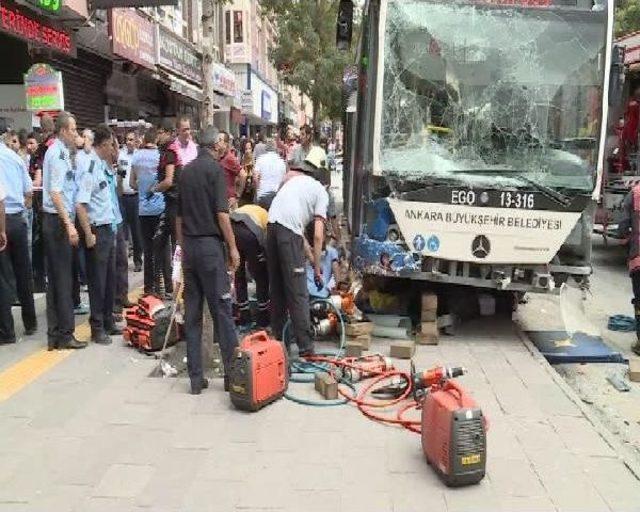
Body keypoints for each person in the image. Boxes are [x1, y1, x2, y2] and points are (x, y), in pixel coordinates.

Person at [177, 126, 240, 395]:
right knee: (222, 312)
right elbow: (222, 215)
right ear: (214, 146)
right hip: (211, 249)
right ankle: (231, 374)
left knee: (192, 315)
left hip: (190, 247)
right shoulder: (215, 171)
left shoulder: (185, 171)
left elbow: (178, 218)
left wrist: (181, 248)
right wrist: (233, 247)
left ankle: (195, 379)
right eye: (221, 145)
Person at [267, 148, 329, 357]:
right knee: (298, 292)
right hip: (286, 233)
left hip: (272, 227)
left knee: (277, 288)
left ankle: (279, 343)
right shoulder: (320, 191)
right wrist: (319, 266)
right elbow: (318, 236)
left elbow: (296, 231)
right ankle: (306, 348)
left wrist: (313, 261)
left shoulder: (295, 183)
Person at [42, 112, 86, 350]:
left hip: (55, 221)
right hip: (58, 222)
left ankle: (56, 334)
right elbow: (56, 193)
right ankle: (64, 334)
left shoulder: (61, 153)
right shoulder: (58, 154)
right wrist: (69, 224)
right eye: (73, 130)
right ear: (62, 131)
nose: (76, 134)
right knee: (62, 279)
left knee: (58, 279)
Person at [76, 125, 122, 345]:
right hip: (97, 229)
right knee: (98, 281)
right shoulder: (89, 166)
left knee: (110, 278)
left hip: (108, 226)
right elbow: (81, 205)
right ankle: (97, 327)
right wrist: (88, 233)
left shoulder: (103, 165)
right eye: (111, 145)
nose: (113, 149)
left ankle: (108, 320)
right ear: (103, 145)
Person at [0, 136, 37, 344]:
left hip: (2, 222)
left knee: (4, 278)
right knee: (24, 273)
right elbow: (29, 191)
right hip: (18, 220)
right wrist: (23, 212)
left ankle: (7, 331)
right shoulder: (15, 158)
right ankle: (30, 323)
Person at [130, 128, 170, 295]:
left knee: (148, 249)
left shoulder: (136, 156)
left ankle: (149, 288)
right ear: (156, 140)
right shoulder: (161, 156)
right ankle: (167, 287)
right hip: (160, 208)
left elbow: (132, 183)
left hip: (143, 210)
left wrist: (143, 189)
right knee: (164, 249)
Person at [151, 119, 181, 296]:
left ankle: (172, 288)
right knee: (161, 244)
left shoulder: (170, 151)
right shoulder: (166, 150)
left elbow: (169, 180)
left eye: (161, 132)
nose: (158, 136)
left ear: (169, 133)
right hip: (171, 204)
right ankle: (166, 287)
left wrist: (154, 188)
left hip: (174, 205)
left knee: (173, 247)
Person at [231, 204, 269, 329]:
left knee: (239, 273)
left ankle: (244, 316)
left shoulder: (250, 208)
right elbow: (265, 243)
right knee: (261, 276)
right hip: (250, 236)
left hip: (232, 231)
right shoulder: (268, 217)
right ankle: (263, 317)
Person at [30, 116, 55, 293]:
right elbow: (39, 178)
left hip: (41, 204)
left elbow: (37, 177)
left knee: (41, 243)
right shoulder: (53, 148)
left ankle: (42, 279)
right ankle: (44, 279)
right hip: (50, 205)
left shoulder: (42, 149)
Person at [118, 131, 142, 272]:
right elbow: (120, 175)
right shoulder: (122, 155)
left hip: (135, 196)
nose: (129, 142)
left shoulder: (139, 156)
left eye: (132, 139)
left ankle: (138, 260)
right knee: (123, 232)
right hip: (124, 197)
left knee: (136, 231)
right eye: (127, 139)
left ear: (136, 141)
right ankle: (123, 262)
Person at [254, 138, 286, 210]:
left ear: (266, 148)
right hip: (277, 196)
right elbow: (284, 180)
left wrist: (258, 192)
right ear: (275, 148)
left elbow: (256, 178)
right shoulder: (281, 161)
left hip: (263, 194)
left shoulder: (260, 159)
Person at [217, 131, 243, 210]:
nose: (217, 141)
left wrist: (237, 196)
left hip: (229, 203)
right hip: (219, 201)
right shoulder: (216, 157)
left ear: (225, 144)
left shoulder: (230, 158)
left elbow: (243, 175)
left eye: (219, 139)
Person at [238, 140, 255, 207]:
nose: (248, 151)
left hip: (252, 189)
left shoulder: (254, 158)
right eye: (246, 149)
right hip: (244, 188)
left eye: (249, 148)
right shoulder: (241, 159)